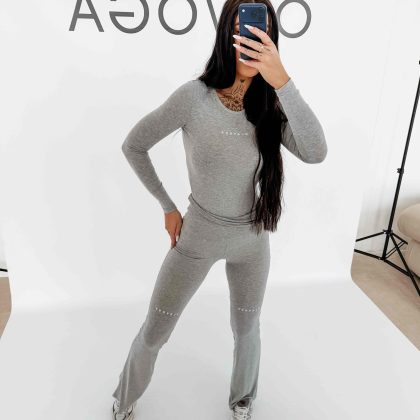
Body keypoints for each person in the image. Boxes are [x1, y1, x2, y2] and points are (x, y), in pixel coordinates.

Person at [111, 1, 327, 419]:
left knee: (247, 330)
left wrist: (282, 80)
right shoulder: (193, 98)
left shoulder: (271, 105)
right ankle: (125, 396)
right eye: (245, 32)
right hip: (197, 238)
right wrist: (167, 206)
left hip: (251, 242)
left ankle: (242, 400)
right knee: (156, 329)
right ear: (228, 35)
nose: (252, 42)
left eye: (262, 35)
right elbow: (134, 145)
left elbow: (316, 152)